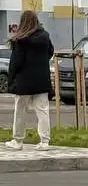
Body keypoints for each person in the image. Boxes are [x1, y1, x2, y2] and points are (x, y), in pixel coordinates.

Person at [6, 10, 54, 150]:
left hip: (24, 82)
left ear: (23, 22)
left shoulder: (20, 40)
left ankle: (18, 140)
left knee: (20, 110)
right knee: (43, 110)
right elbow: (50, 52)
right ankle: (44, 141)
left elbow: (16, 62)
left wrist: (12, 79)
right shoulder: (45, 37)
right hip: (42, 80)